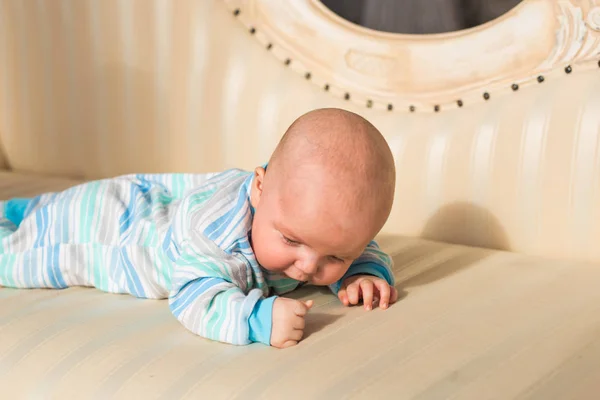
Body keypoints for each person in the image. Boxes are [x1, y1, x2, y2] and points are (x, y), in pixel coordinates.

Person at [0, 108, 398, 348]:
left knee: (41, 208)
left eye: (335, 256)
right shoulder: (216, 240)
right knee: (26, 246)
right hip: (123, 231)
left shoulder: (308, 214)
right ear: (259, 188)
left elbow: (359, 243)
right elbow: (192, 298)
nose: (309, 267)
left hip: (165, 200)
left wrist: (363, 271)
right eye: (292, 240)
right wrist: (255, 319)